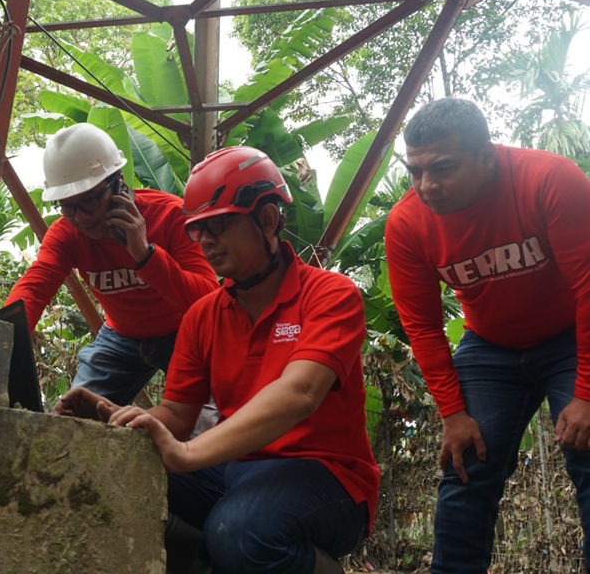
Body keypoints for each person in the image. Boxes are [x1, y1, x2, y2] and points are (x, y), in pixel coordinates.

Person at [55, 146, 380, 574]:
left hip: (328, 477)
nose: (206, 241)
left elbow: (299, 393)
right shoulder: (203, 315)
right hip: (240, 470)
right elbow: (177, 413)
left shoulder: (329, 295)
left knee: (239, 532)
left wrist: (187, 455)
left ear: (266, 219)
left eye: (219, 226)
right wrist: (120, 419)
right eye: (198, 230)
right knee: (110, 468)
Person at [384, 97, 590, 573]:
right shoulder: (407, 223)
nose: (426, 186)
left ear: (486, 155)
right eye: (414, 171)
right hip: (490, 346)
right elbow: (423, 326)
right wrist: (453, 414)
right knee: (465, 467)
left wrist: (586, 392)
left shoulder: (548, 180)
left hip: (570, 336)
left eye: (442, 168)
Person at [5, 123, 219, 409]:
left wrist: (145, 255)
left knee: (211, 422)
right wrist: (3, 341)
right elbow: (34, 288)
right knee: (74, 417)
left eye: (89, 202)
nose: (79, 218)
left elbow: (207, 298)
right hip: (120, 338)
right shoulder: (67, 233)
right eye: (67, 206)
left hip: (184, 333)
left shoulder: (171, 215)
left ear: (118, 184)